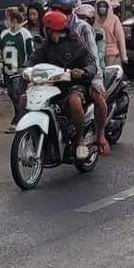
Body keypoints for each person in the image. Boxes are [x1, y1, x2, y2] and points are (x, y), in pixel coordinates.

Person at [29, 10, 98, 159]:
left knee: (75, 102)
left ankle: (80, 140)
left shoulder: (76, 43)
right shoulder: (46, 44)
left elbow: (92, 63)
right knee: (25, 98)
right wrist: (24, 69)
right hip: (52, 86)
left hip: (74, 86)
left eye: (49, 29)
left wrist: (83, 71)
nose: (47, 32)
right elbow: (34, 59)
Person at [50, 0, 110, 155]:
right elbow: (40, 54)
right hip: (58, 76)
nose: (57, 13)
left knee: (97, 98)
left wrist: (95, 80)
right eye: (54, 9)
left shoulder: (82, 28)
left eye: (61, 10)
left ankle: (99, 136)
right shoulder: (49, 27)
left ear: (70, 11)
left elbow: (93, 59)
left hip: (83, 76)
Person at [0, 7, 35, 133]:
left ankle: (18, 121)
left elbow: (31, 54)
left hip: (19, 71)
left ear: (13, 20)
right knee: (12, 96)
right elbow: (0, 50)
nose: (6, 21)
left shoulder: (25, 35)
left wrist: (26, 68)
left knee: (18, 96)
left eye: (7, 19)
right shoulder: (4, 34)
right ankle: (21, 118)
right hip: (7, 71)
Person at [94, 0, 128, 68]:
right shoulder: (96, 20)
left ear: (108, 7)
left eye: (104, 6)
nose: (102, 8)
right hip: (99, 55)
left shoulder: (115, 19)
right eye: (100, 6)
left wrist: (124, 56)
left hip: (113, 55)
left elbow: (120, 38)